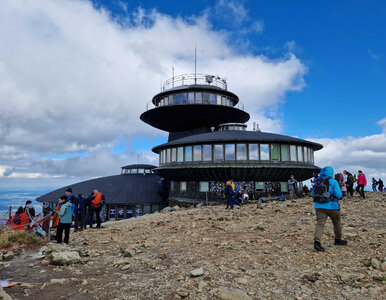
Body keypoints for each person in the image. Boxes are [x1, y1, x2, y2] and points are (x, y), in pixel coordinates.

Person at [313, 166, 347, 252]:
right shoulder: (333, 181)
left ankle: (317, 242)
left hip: (319, 206)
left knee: (320, 224)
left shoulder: (318, 181)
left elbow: (313, 192)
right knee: (337, 223)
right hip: (332, 207)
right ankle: (337, 240)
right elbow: (339, 195)